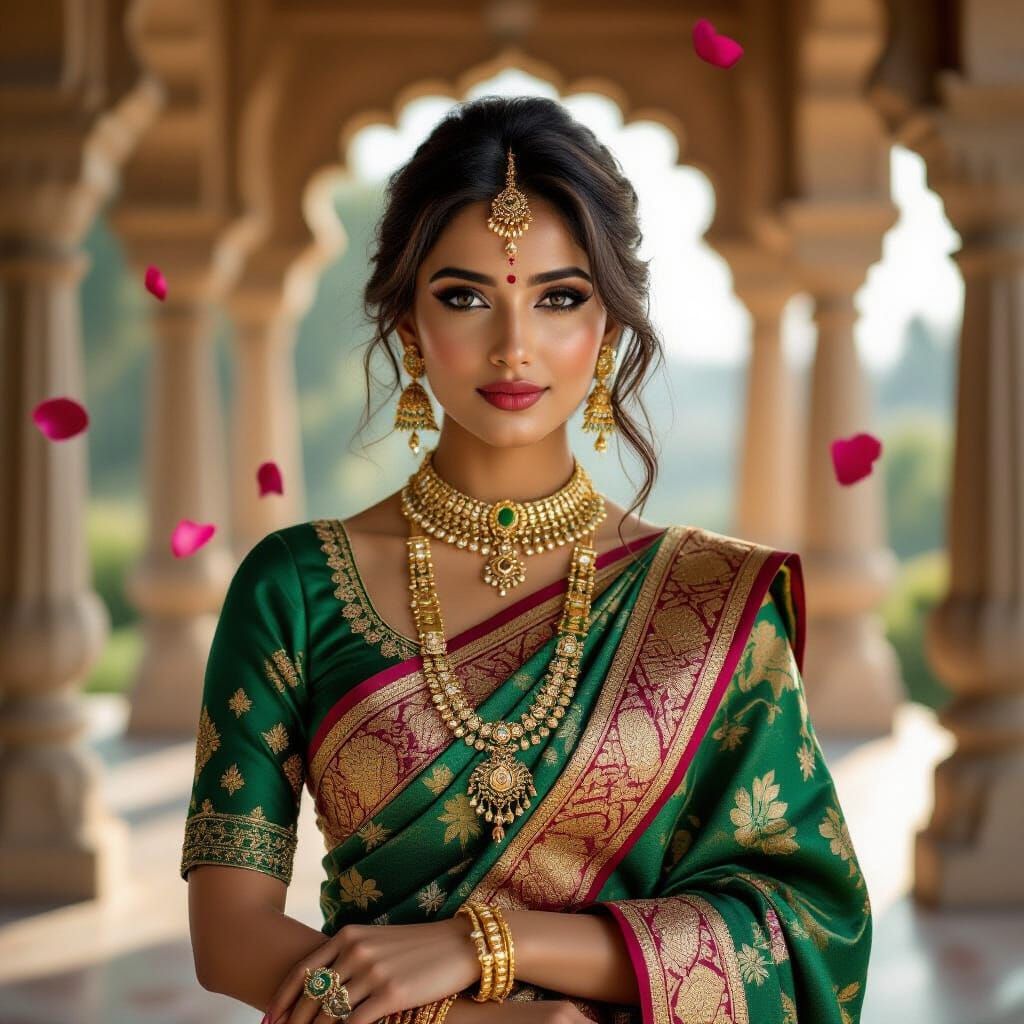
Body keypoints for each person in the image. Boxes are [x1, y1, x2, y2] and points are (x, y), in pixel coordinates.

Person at [181, 95, 870, 1024]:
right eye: (465, 296)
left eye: (559, 298)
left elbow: (805, 929)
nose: (514, 346)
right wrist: (474, 1022)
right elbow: (228, 938)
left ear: (611, 327)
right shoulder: (294, 586)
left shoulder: (710, 605)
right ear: (408, 324)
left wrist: (482, 946)